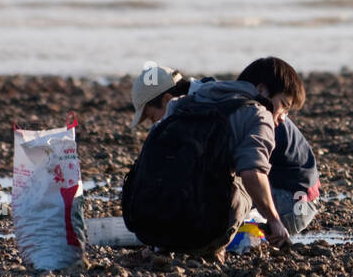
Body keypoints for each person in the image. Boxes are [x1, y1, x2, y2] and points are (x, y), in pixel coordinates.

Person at [122, 57, 306, 257]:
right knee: (245, 177)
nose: (283, 118)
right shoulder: (257, 114)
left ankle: (165, 244)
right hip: (206, 233)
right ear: (261, 90)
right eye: (284, 106)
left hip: (148, 229)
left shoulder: (183, 103)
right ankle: (214, 249)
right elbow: (253, 173)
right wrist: (274, 221)